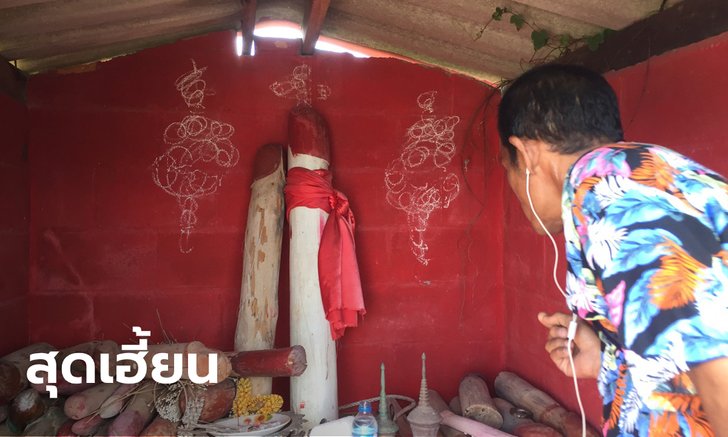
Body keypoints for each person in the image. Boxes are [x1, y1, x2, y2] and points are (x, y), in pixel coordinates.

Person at [497, 64, 728, 437]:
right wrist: (608, 359)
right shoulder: (647, 176)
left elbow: (719, 366)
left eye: (507, 167)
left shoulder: (612, 199)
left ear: (525, 154)